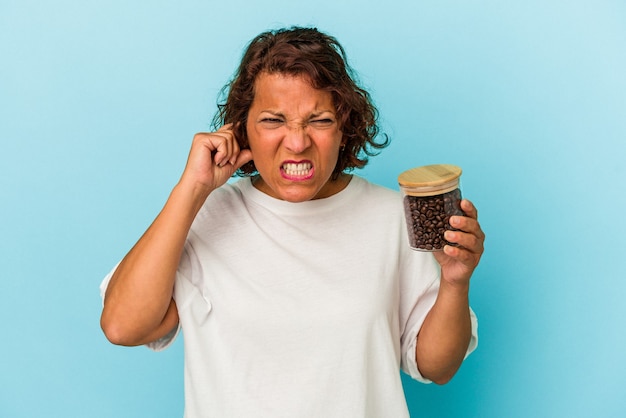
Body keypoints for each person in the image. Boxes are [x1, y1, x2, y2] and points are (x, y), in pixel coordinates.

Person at [100, 26, 485, 417]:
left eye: (318, 120)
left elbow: (437, 366)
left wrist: (455, 282)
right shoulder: (205, 216)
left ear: (344, 128)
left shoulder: (392, 217)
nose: (297, 141)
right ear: (241, 129)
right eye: (273, 120)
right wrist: (193, 189)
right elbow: (122, 327)